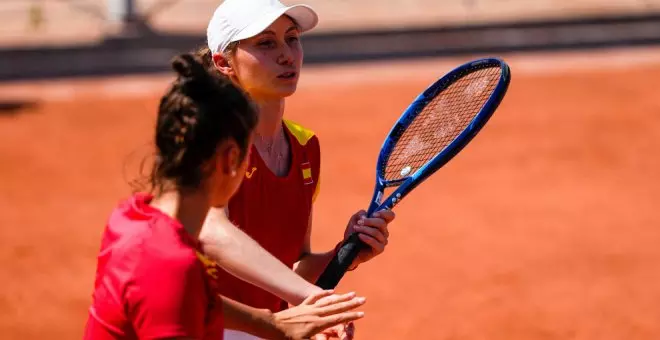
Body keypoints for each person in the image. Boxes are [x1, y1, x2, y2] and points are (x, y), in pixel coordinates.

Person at [83, 53, 366, 340]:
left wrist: (277, 325)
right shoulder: (172, 266)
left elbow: (201, 299)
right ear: (232, 159)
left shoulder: (129, 218)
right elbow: (181, 286)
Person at [196, 0, 396, 338]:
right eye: (265, 43)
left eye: (292, 38)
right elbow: (211, 234)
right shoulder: (213, 138)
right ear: (223, 63)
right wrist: (312, 302)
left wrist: (345, 253)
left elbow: (294, 265)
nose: (287, 54)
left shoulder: (305, 146)